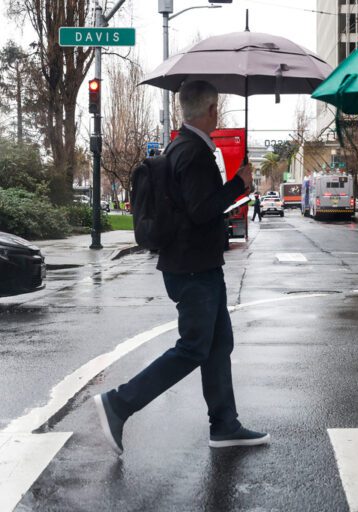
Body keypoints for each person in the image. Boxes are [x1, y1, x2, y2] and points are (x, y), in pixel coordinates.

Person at [92, 80, 269, 455]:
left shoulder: (181, 146)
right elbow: (202, 210)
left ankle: (225, 424)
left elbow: (194, 207)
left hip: (195, 264)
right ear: (210, 111)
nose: (217, 114)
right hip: (193, 268)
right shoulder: (193, 152)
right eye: (216, 108)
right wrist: (239, 183)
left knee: (219, 343)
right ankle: (119, 404)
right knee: (193, 348)